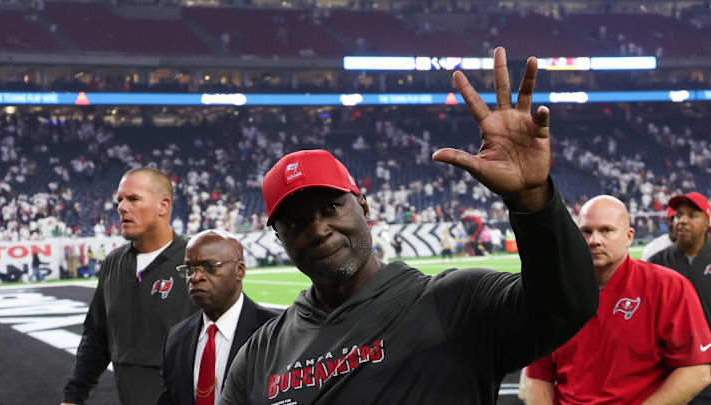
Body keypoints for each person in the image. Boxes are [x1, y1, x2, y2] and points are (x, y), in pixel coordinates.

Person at [219, 47, 599, 404]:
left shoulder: (456, 303)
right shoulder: (257, 357)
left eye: (332, 207)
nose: (318, 230)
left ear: (363, 205)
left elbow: (568, 304)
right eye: (297, 222)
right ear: (279, 237)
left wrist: (532, 200)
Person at [523, 195, 711, 404]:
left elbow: (696, 370)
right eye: (586, 231)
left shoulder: (668, 287)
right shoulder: (553, 292)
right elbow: (536, 376)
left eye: (606, 230)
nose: (594, 240)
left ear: (629, 236)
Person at [62, 168, 197, 405]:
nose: (122, 208)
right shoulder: (113, 263)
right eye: (120, 200)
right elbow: (97, 337)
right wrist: (73, 396)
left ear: (163, 206)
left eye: (133, 199)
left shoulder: (196, 259)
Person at [157, 230, 278, 405]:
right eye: (189, 268)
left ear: (240, 271)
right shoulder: (176, 338)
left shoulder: (276, 331)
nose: (195, 277)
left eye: (209, 266)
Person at [649, 191, 711, 404]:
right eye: (678, 215)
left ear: (707, 223)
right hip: (671, 373)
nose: (682, 221)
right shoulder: (656, 263)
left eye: (692, 215)